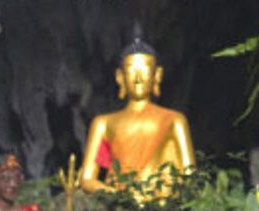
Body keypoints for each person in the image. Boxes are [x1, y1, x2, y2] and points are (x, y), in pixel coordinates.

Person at [78, 44, 195, 192]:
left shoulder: (174, 120)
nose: (138, 78)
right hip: (116, 205)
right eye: (131, 70)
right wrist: (116, 195)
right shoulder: (103, 123)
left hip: (160, 204)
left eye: (145, 70)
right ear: (120, 77)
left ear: (157, 75)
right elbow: (87, 179)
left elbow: (190, 177)